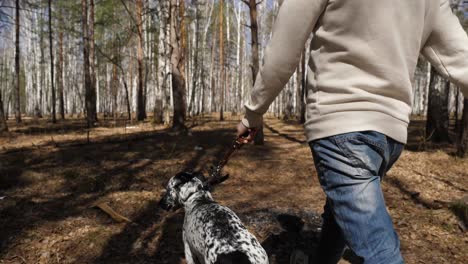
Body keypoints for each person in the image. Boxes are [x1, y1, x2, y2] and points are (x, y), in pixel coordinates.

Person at [236, 0, 468, 263]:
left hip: (341, 123)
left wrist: (253, 113)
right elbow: (461, 57)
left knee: (380, 252)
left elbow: (283, 51)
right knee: (339, 215)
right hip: (390, 136)